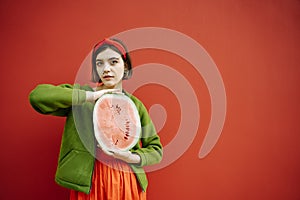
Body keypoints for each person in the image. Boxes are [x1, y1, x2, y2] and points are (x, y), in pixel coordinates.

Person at [29, 38, 163, 200]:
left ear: (125, 66)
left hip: (128, 181)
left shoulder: (136, 105)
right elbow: (37, 97)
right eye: (100, 63)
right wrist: (89, 96)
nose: (106, 69)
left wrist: (130, 157)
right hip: (90, 181)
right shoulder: (81, 97)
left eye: (113, 62)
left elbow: (156, 150)